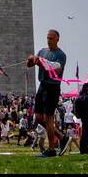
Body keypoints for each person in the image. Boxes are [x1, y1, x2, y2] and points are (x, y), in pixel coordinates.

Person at [26, 29, 67, 157]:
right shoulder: (42, 51)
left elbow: (55, 71)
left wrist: (39, 62)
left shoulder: (61, 55)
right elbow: (29, 65)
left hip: (53, 87)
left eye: (51, 38)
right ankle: (61, 137)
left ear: (57, 39)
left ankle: (51, 150)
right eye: (48, 38)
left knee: (48, 118)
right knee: (38, 118)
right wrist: (31, 59)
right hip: (42, 86)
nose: (49, 40)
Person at [74, 82, 88, 154]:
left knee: (84, 134)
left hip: (83, 118)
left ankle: (82, 150)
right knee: (86, 135)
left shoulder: (79, 97)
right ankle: (85, 150)